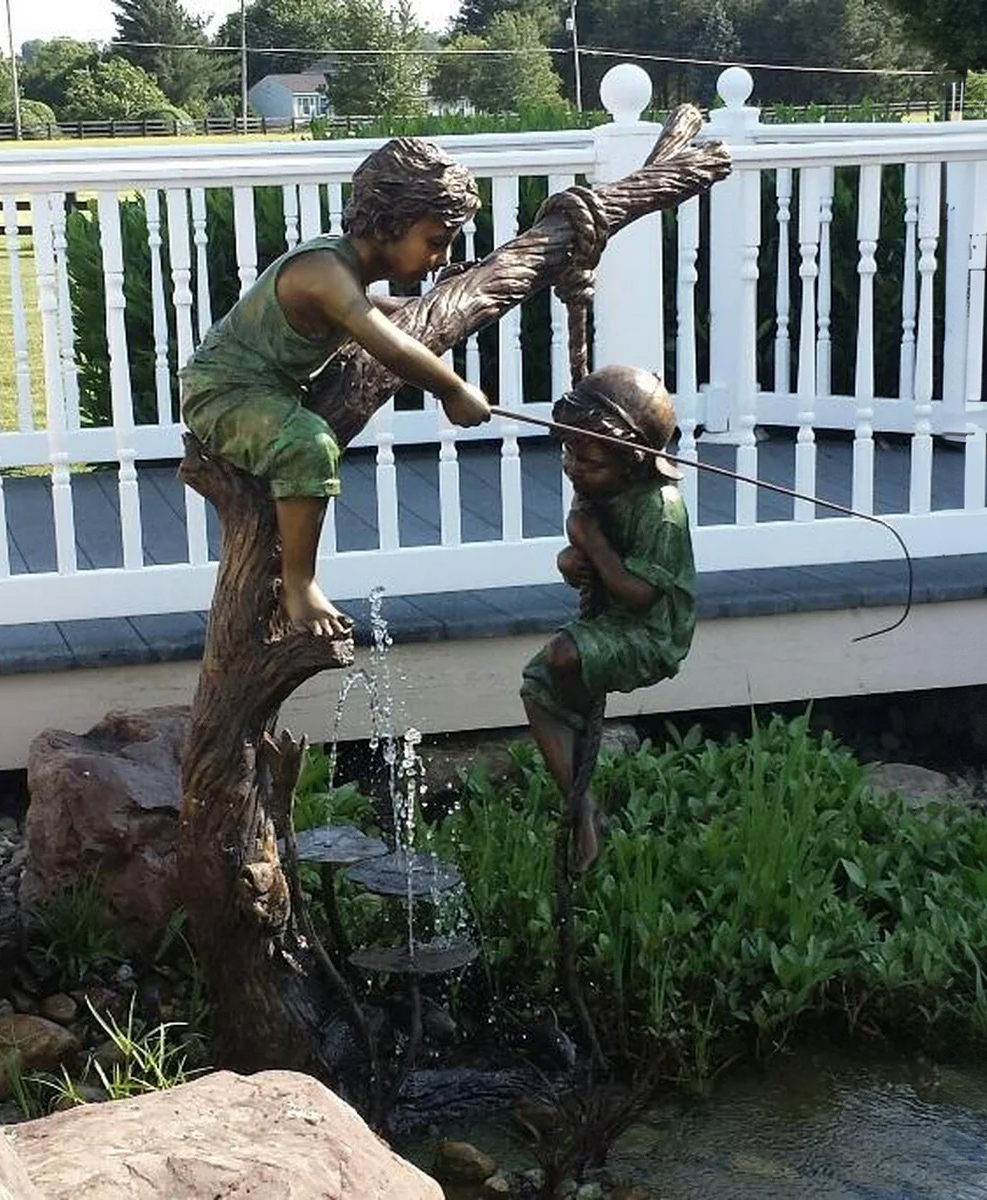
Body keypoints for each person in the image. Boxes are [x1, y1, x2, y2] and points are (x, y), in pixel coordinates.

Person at [179, 137, 491, 637]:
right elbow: (386, 344)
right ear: (389, 225)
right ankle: (298, 585)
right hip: (223, 394)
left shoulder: (344, 272)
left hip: (267, 390)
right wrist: (452, 388)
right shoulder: (322, 270)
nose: (442, 254)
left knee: (304, 435)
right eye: (436, 241)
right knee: (308, 445)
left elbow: (370, 314)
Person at [520, 365, 697, 872]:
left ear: (635, 463)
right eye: (568, 452)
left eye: (590, 461)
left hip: (652, 632)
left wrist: (590, 543)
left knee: (563, 656)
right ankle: (583, 809)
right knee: (536, 686)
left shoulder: (661, 509)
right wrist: (570, 560)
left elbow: (639, 594)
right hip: (611, 619)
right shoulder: (596, 492)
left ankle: (582, 798)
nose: (575, 468)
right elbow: (588, 571)